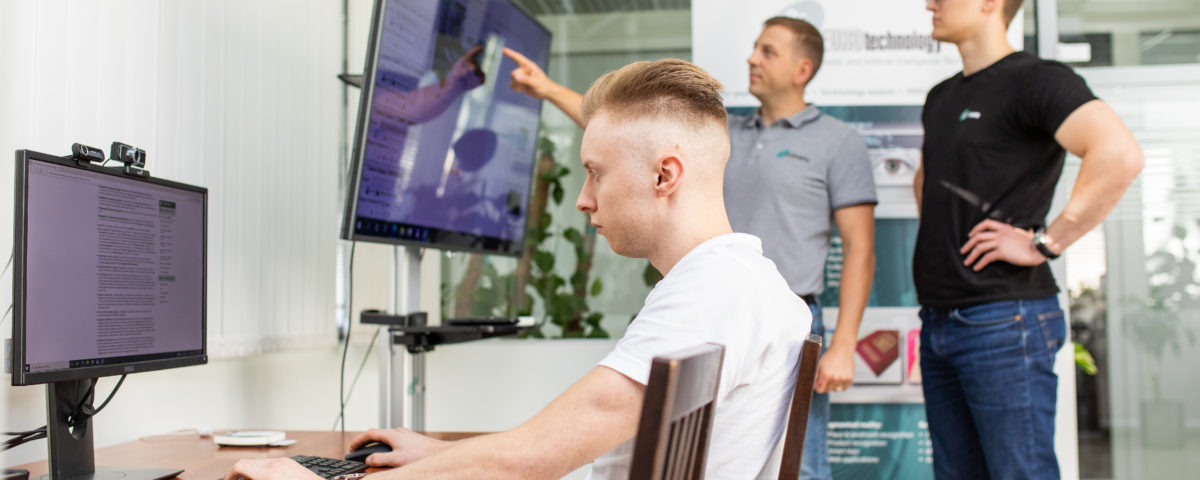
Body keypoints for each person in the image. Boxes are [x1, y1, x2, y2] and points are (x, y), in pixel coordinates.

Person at [225, 59, 812, 480]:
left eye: (596, 172)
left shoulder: (710, 294)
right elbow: (554, 449)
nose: (583, 199)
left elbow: (529, 461)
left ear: (665, 176)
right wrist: (442, 457)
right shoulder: (753, 284)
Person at [504, 16, 876, 480]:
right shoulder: (725, 133)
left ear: (803, 69)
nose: (751, 58)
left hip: (758, 305)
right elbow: (633, 135)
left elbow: (860, 248)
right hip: (738, 304)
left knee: (807, 469)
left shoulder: (837, 143)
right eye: (754, 47)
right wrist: (548, 90)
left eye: (768, 51)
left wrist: (845, 343)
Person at [914, 0, 1144, 478]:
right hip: (938, 320)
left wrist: (1045, 243)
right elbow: (928, 181)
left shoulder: (1037, 80)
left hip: (1004, 320)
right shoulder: (940, 97)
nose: (930, 2)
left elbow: (1119, 154)